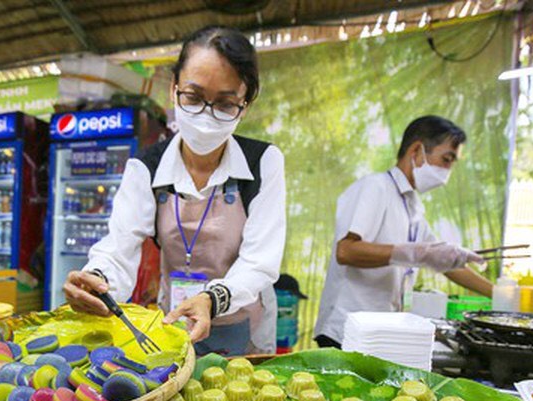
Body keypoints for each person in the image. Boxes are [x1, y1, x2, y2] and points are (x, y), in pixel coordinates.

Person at [62, 25, 286, 356]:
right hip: (175, 323)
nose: (206, 117)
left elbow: (260, 261)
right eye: (193, 98)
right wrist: (96, 280)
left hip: (245, 323)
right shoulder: (146, 167)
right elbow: (119, 247)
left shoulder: (263, 162)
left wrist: (212, 299)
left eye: (225, 104)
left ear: (246, 103)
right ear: (174, 89)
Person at [314, 116, 492, 348]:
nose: (447, 172)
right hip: (345, 331)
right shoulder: (375, 187)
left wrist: (499, 294)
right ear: (417, 150)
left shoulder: (412, 205)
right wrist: (412, 253)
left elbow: (443, 262)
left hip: (378, 331)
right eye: (446, 159)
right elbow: (346, 251)